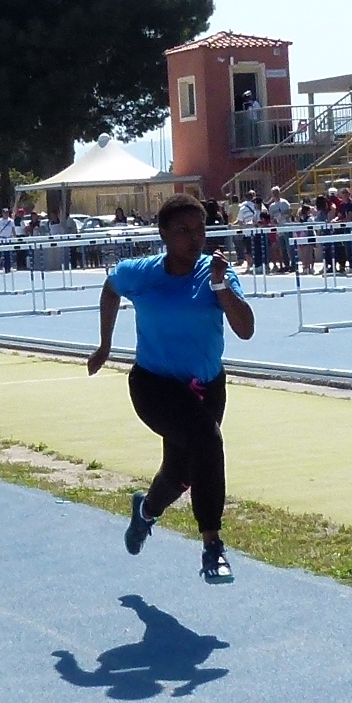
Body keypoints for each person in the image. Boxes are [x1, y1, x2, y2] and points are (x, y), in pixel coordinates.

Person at [87, 194, 255, 584]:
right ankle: (212, 546)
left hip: (208, 387)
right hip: (154, 386)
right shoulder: (141, 273)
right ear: (163, 234)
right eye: (183, 231)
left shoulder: (216, 273)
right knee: (207, 441)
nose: (194, 238)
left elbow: (246, 330)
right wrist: (105, 344)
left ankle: (145, 512)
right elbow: (111, 288)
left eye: (200, 229)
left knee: (183, 474)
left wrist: (221, 287)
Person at [0, 207, 16, 273]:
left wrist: (15, 237)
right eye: (4, 212)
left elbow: (13, 229)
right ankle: (4, 266)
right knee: (4, 253)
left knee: (9, 253)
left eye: (7, 212)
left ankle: (8, 267)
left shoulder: (11, 221)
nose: (6, 214)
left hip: (9, 238)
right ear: (2, 213)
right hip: (2, 238)